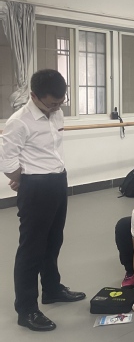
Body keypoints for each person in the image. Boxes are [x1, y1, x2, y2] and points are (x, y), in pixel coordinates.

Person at [0, 69, 85, 332]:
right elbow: (6, 159)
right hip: (35, 187)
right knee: (32, 249)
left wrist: (34, 175)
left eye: (60, 102)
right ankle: (26, 310)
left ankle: (51, 288)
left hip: (58, 180)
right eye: (51, 104)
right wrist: (24, 179)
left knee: (54, 241)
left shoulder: (57, 113)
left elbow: (50, 149)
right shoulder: (19, 121)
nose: (56, 107)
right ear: (34, 96)